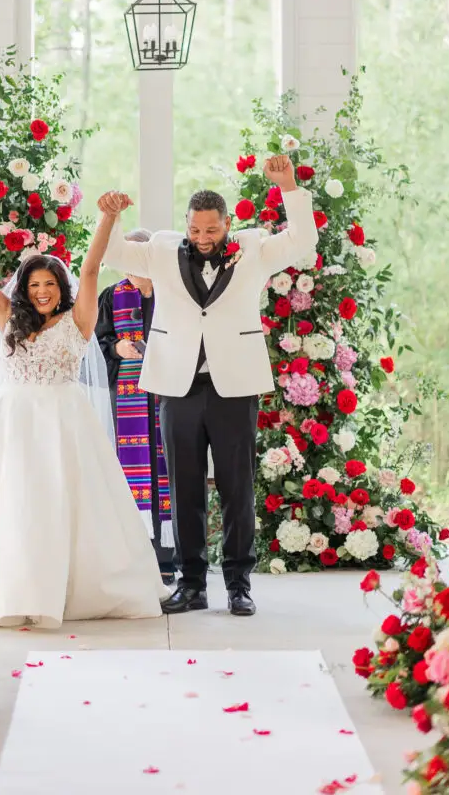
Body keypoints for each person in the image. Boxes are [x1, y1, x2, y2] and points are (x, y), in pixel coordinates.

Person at [0, 203, 169, 629]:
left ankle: (68, 588)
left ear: (62, 287)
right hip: (12, 425)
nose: (43, 291)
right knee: (13, 504)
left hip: (64, 423)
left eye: (50, 283)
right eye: (35, 284)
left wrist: (108, 219)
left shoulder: (78, 320)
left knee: (68, 503)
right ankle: (11, 589)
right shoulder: (6, 315)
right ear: (25, 289)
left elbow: (93, 267)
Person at [99, 154, 318, 617]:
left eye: (211, 231)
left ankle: (239, 584)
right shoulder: (160, 248)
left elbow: (302, 240)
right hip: (176, 387)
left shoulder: (254, 247)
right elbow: (114, 253)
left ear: (227, 224)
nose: (202, 239)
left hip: (233, 386)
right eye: (195, 230)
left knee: (237, 487)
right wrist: (111, 216)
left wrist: (290, 188)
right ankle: (192, 583)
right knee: (185, 489)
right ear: (186, 225)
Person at [96, 229, 175, 586]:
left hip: (168, 395)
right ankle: (133, 557)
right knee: (129, 477)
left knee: (168, 471)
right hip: (126, 399)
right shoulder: (112, 297)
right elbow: (95, 343)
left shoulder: (174, 294)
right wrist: (117, 349)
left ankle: (168, 558)